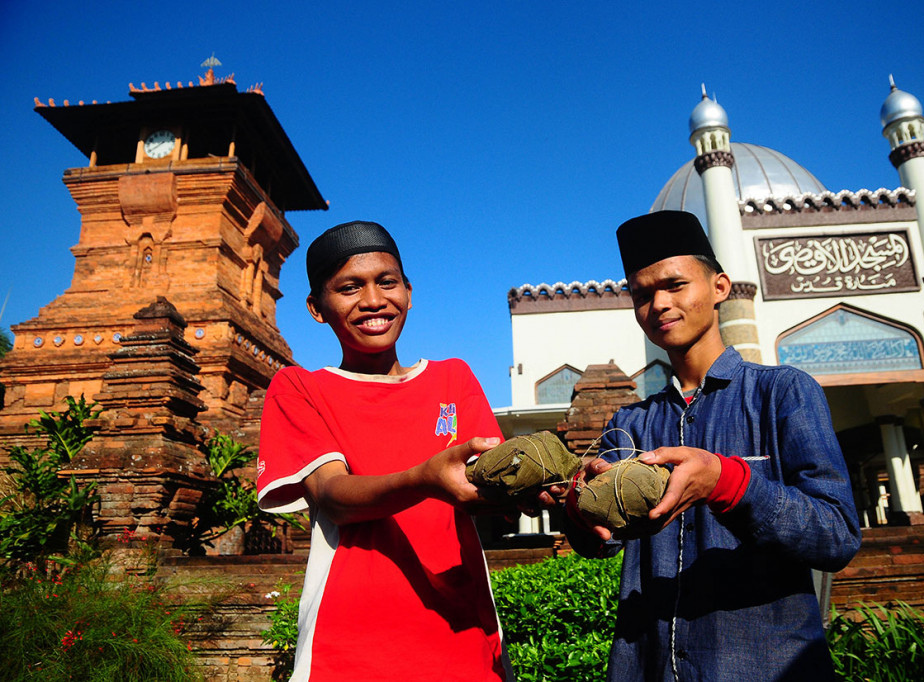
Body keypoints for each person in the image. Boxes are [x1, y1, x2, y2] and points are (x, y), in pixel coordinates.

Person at [547, 210, 861, 681]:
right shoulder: (632, 422)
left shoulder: (782, 393)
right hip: (648, 666)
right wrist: (574, 507)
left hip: (765, 666)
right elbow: (605, 545)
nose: (659, 304)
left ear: (719, 287)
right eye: (642, 294)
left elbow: (836, 535)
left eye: (675, 285)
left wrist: (729, 483)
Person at [255, 220, 512, 681]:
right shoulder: (300, 388)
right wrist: (425, 478)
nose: (373, 301)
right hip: (349, 647)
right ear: (317, 308)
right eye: (349, 287)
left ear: (409, 292)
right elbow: (332, 496)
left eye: (386, 282)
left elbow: (498, 488)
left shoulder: (454, 379)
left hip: (465, 638)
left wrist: (561, 487)